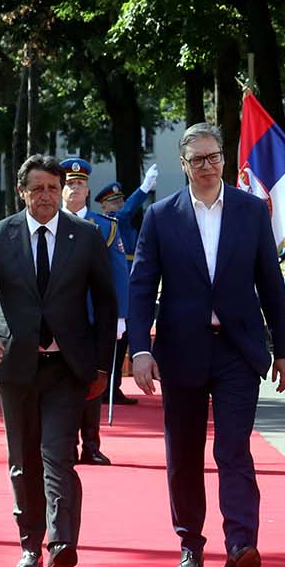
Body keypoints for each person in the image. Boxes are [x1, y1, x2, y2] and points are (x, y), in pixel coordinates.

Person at [126, 123, 285, 567]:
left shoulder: (250, 211)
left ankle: (241, 542)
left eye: (214, 156)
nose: (207, 166)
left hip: (237, 350)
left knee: (233, 448)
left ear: (225, 159)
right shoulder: (161, 216)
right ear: (183, 165)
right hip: (181, 350)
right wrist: (140, 349)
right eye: (197, 159)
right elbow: (142, 287)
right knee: (183, 452)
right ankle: (190, 542)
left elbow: (271, 283)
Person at [0, 154, 117, 567]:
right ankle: (30, 542)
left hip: (68, 367)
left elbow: (106, 304)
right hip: (16, 365)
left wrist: (103, 365)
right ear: (23, 192)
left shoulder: (84, 237)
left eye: (53, 187)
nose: (47, 196)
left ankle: (62, 542)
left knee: (57, 454)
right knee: (23, 459)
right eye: (38, 189)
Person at [58, 156, 131, 464]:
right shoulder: (50, 222)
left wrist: (120, 316)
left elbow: (119, 274)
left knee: (91, 382)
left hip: (91, 318)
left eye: (81, 184)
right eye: (70, 184)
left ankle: (90, 444)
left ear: (88, 189)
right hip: (57, 320)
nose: (75, 189)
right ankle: (62, 444)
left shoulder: (105, 227)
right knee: (58, 385)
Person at [96, 163, 159, 404]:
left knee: (123, 342)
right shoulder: (111, 221)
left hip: (133, 285)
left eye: (120, 201)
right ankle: (105, 387)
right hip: (117, 287)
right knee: (115, 342)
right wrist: (143, 189)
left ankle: (114, 387)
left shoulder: (124, 222)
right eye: (113, 202)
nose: (118, 206)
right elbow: (125, 214)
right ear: (103, 205)